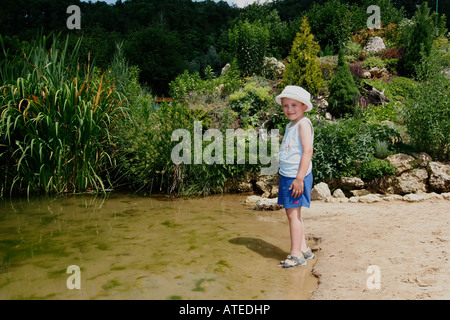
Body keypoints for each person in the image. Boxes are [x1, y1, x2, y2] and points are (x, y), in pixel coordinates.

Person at [276, 85, 315, 268]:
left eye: (294, 105)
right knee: (294, 213)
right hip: (288, 176)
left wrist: (299, 178)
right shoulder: (291, 125)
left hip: (295, 177)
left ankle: (295, 255)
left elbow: (308, 151)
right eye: (285, 106)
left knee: (293, 215)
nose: (289, 109)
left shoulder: (303, 124)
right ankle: (304, 249)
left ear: (304, 107)